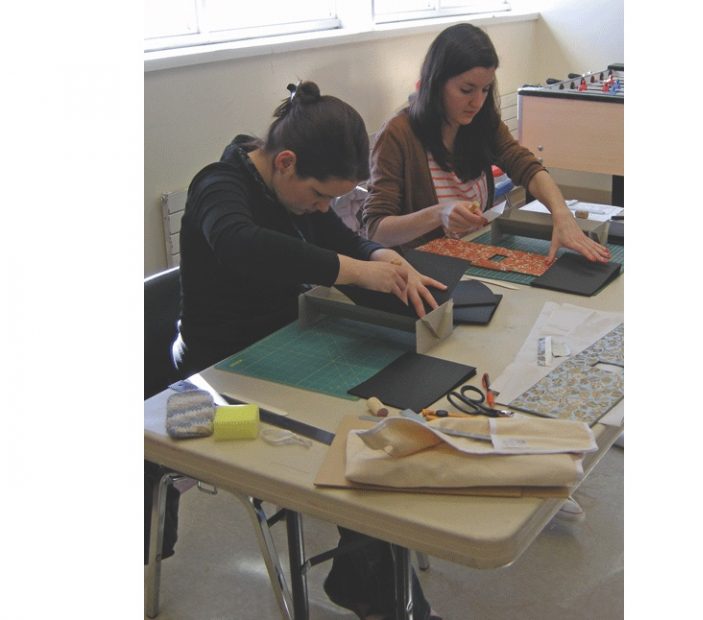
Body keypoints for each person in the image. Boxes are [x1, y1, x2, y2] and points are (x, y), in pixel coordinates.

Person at [154, 81, 443, 620]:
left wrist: (382, 254)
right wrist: (357, 271)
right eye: (318, 194)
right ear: (284, 162)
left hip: (285, 346)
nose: (321, 207)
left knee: (377, 433)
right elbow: (244, 245)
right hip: (217, 370)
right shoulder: (219, 187)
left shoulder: (296, 190)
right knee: (354, 451)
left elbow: (338, 238)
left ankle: (365, 579)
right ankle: (378, 594)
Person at [361, 22, 611, 265]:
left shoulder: (482, 121)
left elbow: (526, 165)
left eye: (485, 89)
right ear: (436, 83)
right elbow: (376, 229)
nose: (477, 102)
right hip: (420, 269)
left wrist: (562, 214)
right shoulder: (398, 134)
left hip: (472, 254)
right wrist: (439, 213)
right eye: (467, 89)